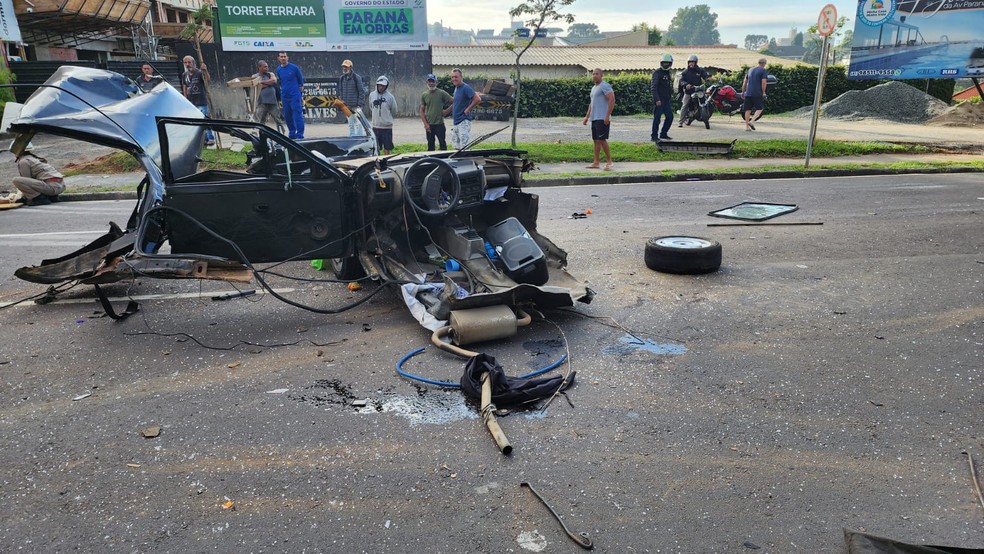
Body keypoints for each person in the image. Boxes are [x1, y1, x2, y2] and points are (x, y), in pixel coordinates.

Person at [581, 68, 615, 171]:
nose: (594, 76)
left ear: (601, 75)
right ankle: (596, 162)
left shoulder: (605, 86)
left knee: (602, 139)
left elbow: (612, 99)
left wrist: (607, 115)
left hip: (602, 117)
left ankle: (609, 162)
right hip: (594, 118)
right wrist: (587, 116)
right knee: (596, 140)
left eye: (597, 74)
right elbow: (592, 103)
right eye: (593, 74)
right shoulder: (594, 88)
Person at [182, 56, 215, 145]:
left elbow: (207, 80)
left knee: (205, 120)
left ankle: (210, 138)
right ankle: (202, 140)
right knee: (196, 122)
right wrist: (185, 99)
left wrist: (205, 70)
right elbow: (184, 86)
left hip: (201, 100)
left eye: (189, 62)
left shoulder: (199, 73)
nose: (187, 64)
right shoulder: (185, 75)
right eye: (185, 63)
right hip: (191, 102)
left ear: (193, 63)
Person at [419, 73, 452, 151]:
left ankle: (443, 161)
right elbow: (422, 110)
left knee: (442, 144)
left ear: (436, 82)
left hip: (439, 124)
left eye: (433, 81)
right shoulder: (424, 95)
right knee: (430, 145)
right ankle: (432, 162)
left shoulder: (441, 93)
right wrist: (425, 124)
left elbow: (454, 101)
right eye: (429, 81)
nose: (431, 83)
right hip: (429, 124)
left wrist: (446, 111)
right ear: (427, 82)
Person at [450, 68, 481, 149]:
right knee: (456, 146)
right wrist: (446, 111)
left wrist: (468, 108)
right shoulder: (456, 88)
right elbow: (456, 102)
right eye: (452, 77)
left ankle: (466, 160)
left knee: (464, 146)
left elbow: (477, 99)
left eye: (456, 77)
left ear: (461, 77)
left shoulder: (466, 87)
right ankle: (457, 161)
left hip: (463, 121)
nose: (454, 79)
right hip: (456, 122)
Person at [276, 51, 305, 139]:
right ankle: (292, 134)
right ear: (278, 58)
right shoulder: (278, 69)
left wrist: (299, 95)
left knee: (297, 115)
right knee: (287, 116)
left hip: (295, 96)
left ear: (287, 57)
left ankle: (300, 135)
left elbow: (301, 83)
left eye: (285, 56)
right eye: (281, 56)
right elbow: (281, 82)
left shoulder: (294, 68)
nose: (283, 58)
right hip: (284, 96)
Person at [677, 54, 711, 128]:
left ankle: (706, 114)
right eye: (690, 62)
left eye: (693, 62)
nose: (691, 63)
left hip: (698, 90)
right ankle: (680, 122)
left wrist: (707, 78)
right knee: (685, 105)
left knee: (707, 101)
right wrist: (686, 84)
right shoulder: (685, 72)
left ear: (696, 63)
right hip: (689, 92)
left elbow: (705, 74)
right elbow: (681, 81)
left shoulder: (700, 70)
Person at [252, 60, 285, 132]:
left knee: (278, 120)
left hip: (273, 101)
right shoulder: (255, 76)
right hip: (261, 102)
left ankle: (281, 133)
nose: (267, 68)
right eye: (264, 67)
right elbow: (258, 86)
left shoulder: (270, 74)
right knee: (261, 120)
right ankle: (261, 134)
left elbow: (274, 81)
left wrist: (262, 82)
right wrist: (268, 83)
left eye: (267, 67)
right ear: (259, 67)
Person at [369, 76, 398, 155]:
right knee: (376, 148)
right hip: (375, 126)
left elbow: (394, 110)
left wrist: (387, 119)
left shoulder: (390, 97)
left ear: (386, 86)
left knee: (387, 147)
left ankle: (386, 162)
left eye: (383, 86)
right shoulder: (372, 95)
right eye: (379, 85)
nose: (381, 87)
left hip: (386, 127)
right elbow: (371, 107)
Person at [338, 59, 365, 136]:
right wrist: (342, 103)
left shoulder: (357, 78)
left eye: (346, 66)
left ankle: (359, 137)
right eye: (343, 66)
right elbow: (341, 91)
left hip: (356, 106)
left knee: (358, 123)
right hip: (347, 106)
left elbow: (361, 91)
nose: (344, 68)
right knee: (350, 123)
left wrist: (360, 104)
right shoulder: (342, 78)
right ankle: (352, 137)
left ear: (350, 67)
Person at [651, 54, 674, 142]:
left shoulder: (668, 73)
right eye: (664, 63)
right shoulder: (657, 72)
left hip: (666, 99)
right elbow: (654, 87)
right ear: (661, 63)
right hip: (659, 100)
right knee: (657, 118)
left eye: (667, 63)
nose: (665, 65)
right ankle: (654, 136)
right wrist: (657, 99)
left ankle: (663, 134)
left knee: (670, 117)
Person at [743, 58, 769, 132]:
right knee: (760, 108)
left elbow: (745, 82)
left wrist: (743, 91)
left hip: (748, 93)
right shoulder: (763, 70)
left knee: (747, 109)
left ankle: (747, 127)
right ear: (764, 63)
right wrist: (763, 92)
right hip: (757, 92)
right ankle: (752, 121)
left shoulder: (750, 70)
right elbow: (764, 82)